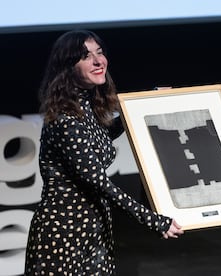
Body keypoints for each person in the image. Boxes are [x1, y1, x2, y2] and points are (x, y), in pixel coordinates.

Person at [24, 29, 184, 275]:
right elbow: (98, 183)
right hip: (63, 233)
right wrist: (154, 220)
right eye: (86, 56)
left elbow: (97, 140)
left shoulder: (85, 106)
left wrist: (147, 102)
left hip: (94, 231)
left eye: (100, 53)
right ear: (67, 67)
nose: (99, 61)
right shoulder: (65, 118)